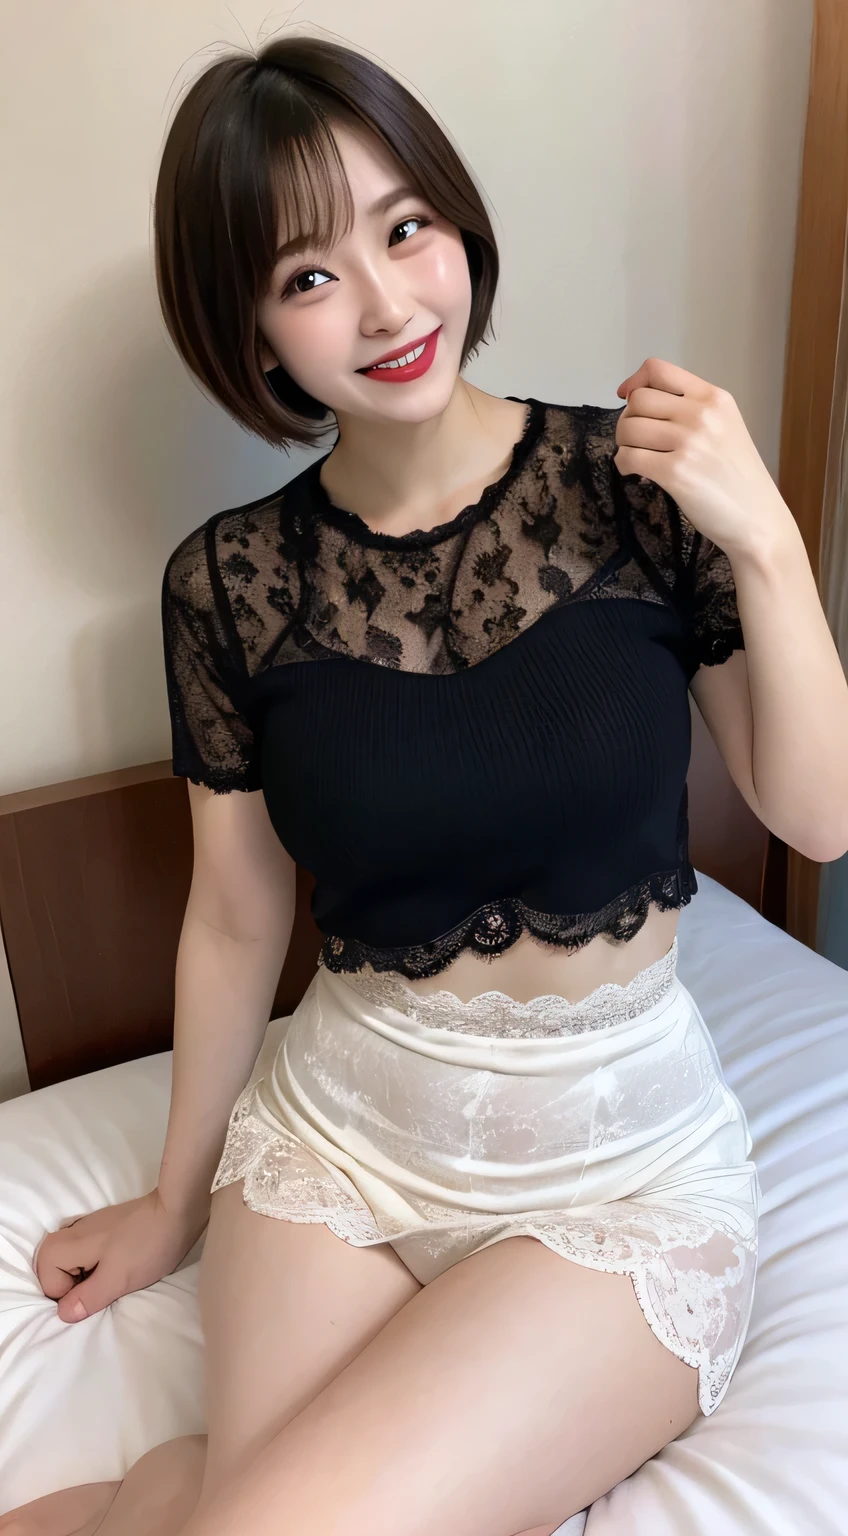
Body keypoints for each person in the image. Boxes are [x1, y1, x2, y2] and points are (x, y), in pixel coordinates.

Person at [11, 32, 764, 1536]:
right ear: (250, 332)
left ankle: (140, 1504)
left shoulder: (639, 492)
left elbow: (823, 817)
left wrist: (770, 539)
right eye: (308, 275)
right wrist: (174, 1201)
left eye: (405, 227)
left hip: (618, 1177)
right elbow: (237, 919)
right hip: (338, 1149)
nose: (384, 303)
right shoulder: (227, 584)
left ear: (457, 224)